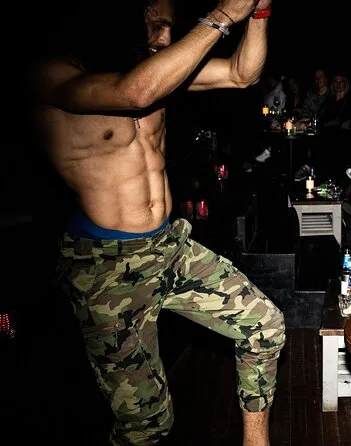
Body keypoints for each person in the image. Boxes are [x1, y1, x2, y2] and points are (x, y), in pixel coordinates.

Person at [30, 1, 285, 445]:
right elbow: (135, 93)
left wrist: (258, 13)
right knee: (147, 427)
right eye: (156, 25)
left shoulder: (156, 69)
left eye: (171, 26)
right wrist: (224, 14)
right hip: (107, 270)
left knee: (264, 326)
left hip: (169, 247)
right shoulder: (51, 72)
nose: (165, 38)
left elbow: (241, 74)